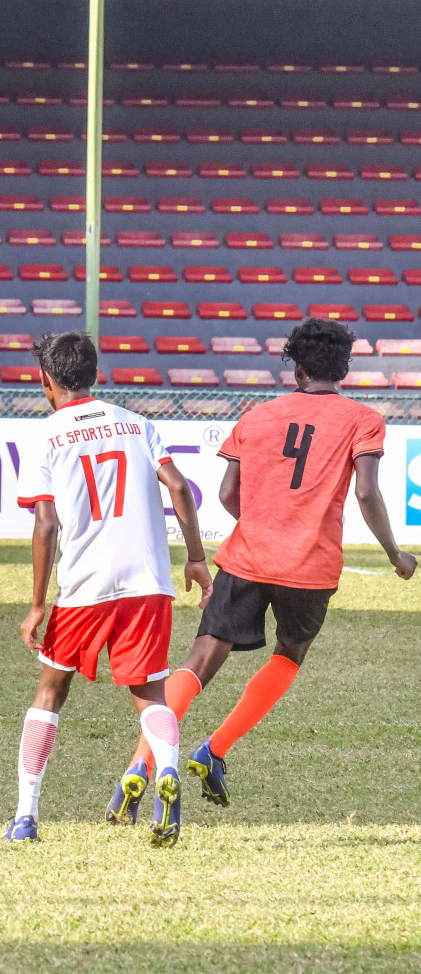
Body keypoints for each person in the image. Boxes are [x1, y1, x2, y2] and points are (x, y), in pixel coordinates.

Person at [106, 317, 415, 816]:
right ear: (344, 369)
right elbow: (365, 491)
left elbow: (229, 494)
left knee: (202, 657)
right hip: (311, 568)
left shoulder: (257, 416)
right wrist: (394, 554)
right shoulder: (363, 419)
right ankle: (214, 750)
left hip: (247, 557)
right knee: (288, 654)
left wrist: (265, 523)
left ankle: (142, 762)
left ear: (295, 370)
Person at [8, 331, 212, 846]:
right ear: (96, 374)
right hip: (148, 582)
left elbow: (47, 523)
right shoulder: (137, 424)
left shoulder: (45, 435)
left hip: (84, 585)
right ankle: (165, 768)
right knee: (150, 694)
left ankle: (26, 817)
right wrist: (194, 558)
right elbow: (181, 487)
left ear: (46, 380)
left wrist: (36, 605)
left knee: (50, 692)